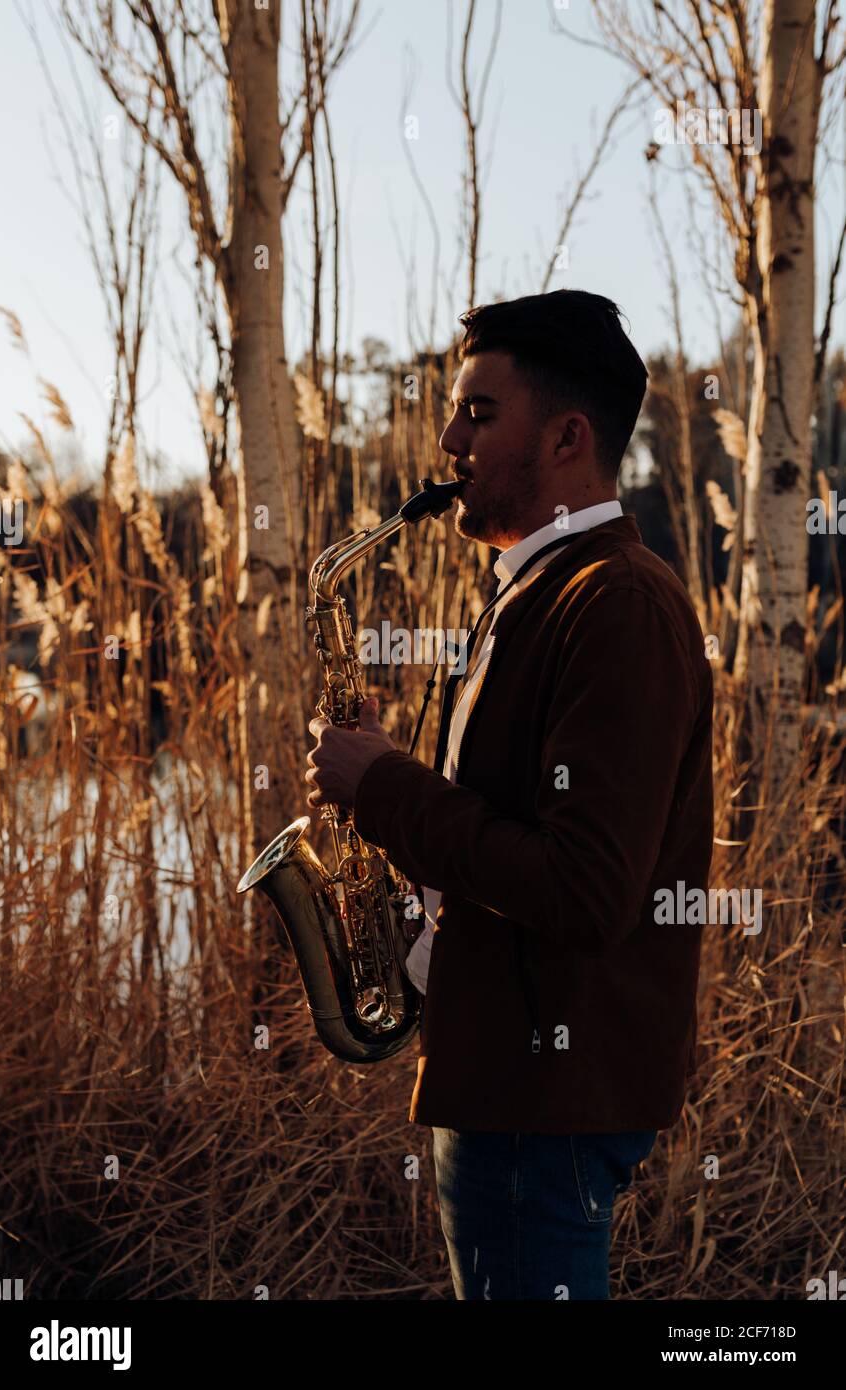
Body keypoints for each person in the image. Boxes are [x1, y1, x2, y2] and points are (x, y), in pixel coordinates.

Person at [304, 289, 714, 1301]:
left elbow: (582, 889)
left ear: (568, 436)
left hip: (543, 1107)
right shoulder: (533, 592)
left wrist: (385, 789)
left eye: (478, 415)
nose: (448, 439)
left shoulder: (612, 605)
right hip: (512, 1087)